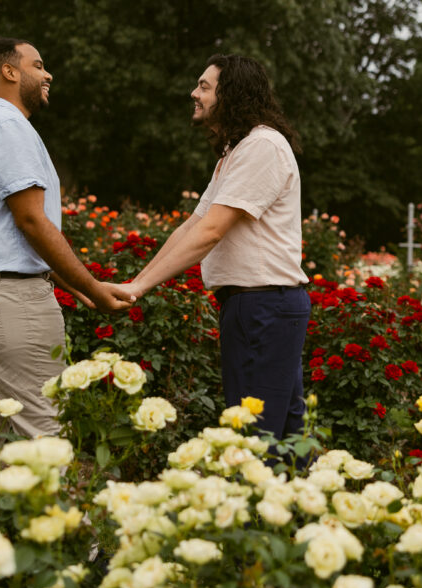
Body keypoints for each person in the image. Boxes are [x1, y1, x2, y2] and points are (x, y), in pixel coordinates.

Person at [0, 37, 133, 438]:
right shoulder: (9, 127)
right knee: (46, 429)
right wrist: (91, 287)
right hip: (5, 300)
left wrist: (72, 287)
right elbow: (30, 221)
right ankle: (55, 503)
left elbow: (3, 232)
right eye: (39, 65)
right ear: (10, 72)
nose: (48, 74)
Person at [122, 55, 310, 441]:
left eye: (205, 87)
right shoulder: (236, 151)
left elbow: (210, 232)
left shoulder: (261, 146)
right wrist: (134, 283)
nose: (194, 93)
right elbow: (193, 225)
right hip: (256, 306)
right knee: (285, 440)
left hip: (264, 307)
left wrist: (138, 289)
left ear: (233, 94)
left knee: (255, 440)